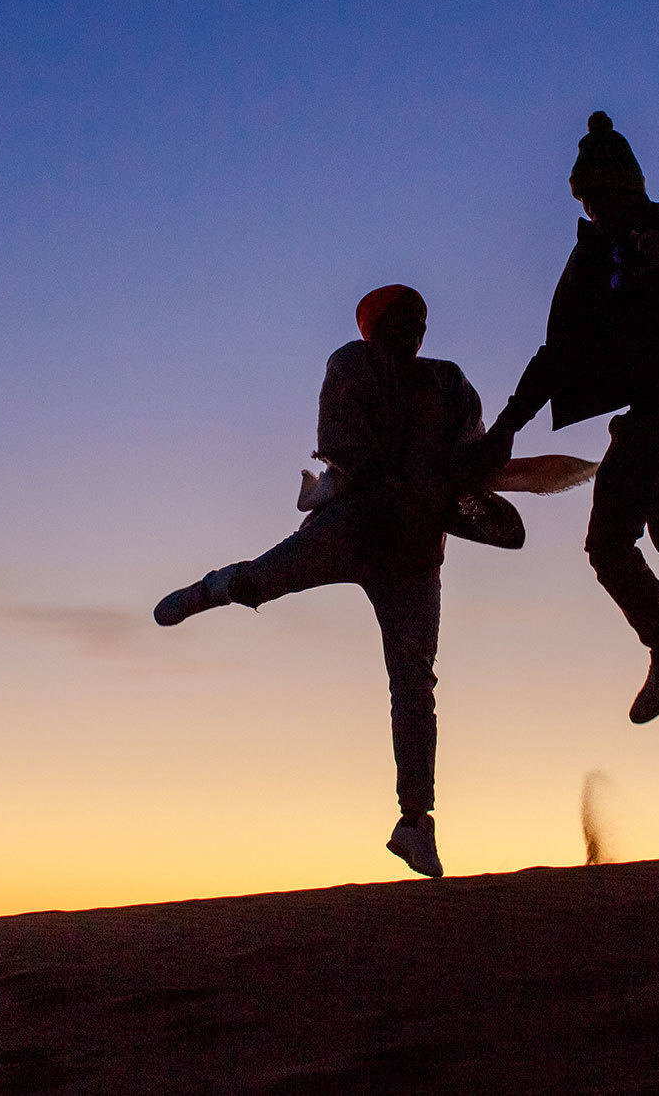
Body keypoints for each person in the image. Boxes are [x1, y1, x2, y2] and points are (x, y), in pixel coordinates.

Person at [153, 285, 515, 879]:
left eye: (421, 321)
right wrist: (410, 489)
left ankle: (415, 822)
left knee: (414, 684)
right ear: (373, 326)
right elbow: (347, 447)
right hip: (350, 525)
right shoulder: (350, 363)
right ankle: (215, 586)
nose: (414, 330)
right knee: (261, 583)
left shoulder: (449, 381)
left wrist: (480, 465)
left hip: (416, 553)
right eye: (401, 320)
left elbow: (472, 452)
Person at [473, 112, 659, 729]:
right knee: (607, 543)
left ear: (634, 186)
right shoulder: (590, 262)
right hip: (651, 410)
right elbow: (556, 354)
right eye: (589, 199)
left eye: (609, 193)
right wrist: (506, 427)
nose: (599, 207)